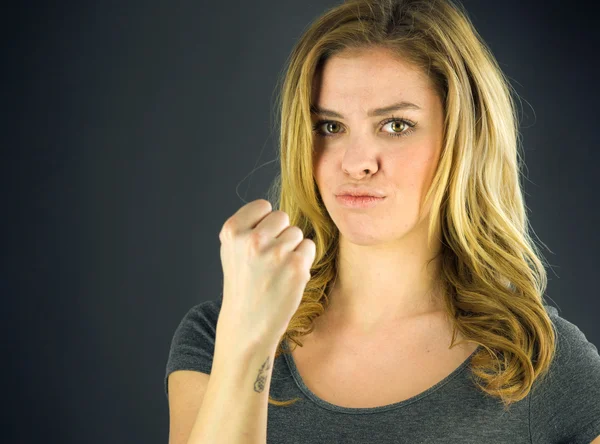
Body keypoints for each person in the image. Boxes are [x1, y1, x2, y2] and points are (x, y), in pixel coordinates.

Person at [164, 0, 600, 443]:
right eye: (330, 127)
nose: (356, 164)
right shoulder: (215, 337)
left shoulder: (535, 361)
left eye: (395, 125)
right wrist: (247, 340)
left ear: (463, 139)